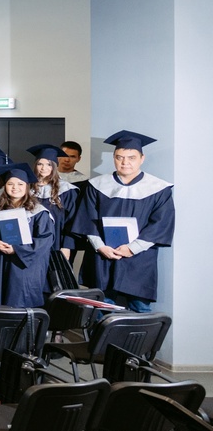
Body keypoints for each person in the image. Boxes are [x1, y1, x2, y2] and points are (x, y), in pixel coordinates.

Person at [71, 131, 174, 312]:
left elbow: (160, 225)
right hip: (103, 256)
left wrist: (132, 248)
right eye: (120, 157)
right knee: (102, 309)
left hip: (139, 258)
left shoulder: (158, 188)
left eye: (131, 158)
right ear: (114, 158)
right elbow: (86, 219)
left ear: (142, 159)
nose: (125, 162)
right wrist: (100, 247)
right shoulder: (97, 185)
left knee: (140, 309)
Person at [0, 163, 56, 308]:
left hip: (25, 268)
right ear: (5, 186)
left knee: (20, 303)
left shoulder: (38, 212)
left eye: (20, 184)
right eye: (10, 184)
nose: (15, 187)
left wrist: (16, 249)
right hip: (1, 266)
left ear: (27, 187)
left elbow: (45, 241)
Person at [28, 144, 80, 262]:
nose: (43, 168)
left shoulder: (67, 190)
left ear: (54, 166)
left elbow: (72, 221)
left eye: (49, 164)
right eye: (40, 164)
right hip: (32, 244)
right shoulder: (27, 189)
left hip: (57, 244)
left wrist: (67, 246)